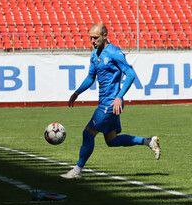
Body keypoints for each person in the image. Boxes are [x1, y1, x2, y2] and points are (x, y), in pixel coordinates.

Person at [61, 23, 161, 179]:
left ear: (105, 35)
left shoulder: (114, 53)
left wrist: (119, 96)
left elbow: (131, 74)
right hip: (106, 103)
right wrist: (77, 92)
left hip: (110, 103)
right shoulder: (95, 55)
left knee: (88, 133)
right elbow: (90, 77)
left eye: (95, 38)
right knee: (112, 141)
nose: (92, 41)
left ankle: (77, 171)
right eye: (90, 38)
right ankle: (148, 141)